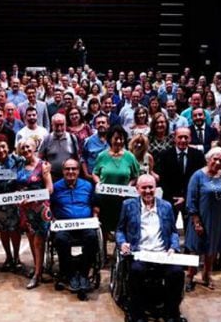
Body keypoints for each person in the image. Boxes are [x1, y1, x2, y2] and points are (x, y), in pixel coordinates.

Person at [116, 174, 185, 322]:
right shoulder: (128, 205)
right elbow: (120, 230)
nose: (147, 191)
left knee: (177, 273)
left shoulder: (166, 206)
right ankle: (138, 315)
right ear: (137, 189)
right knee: (136, 272)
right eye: (144, 188)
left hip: (162, 253)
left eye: (150, 187)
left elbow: (174, 233)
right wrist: (122, 243)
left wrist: (173, 247)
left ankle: (171, 314)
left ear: (156, 188)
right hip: (140, 253)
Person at [184, 146, 221, 290]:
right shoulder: (198, 176)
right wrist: (196, 221)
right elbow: (191, 199)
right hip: (202, 218)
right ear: (208, 159)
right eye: (215, 159)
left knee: (212, 248)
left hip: (220, 219)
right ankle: (190, 275)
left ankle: (207, 274)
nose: (218, 163)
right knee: (196, 247)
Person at [49, 159, 99, 293]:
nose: (70, 172)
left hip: (85, 225)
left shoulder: (88, 186)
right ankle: (70, 274)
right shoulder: (55, 187)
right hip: (64, 226)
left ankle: (83, 274)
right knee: (60, 239)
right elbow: (50, 208)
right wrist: (51, 218)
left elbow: (95, 205)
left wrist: (95, 217)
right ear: (63, 171)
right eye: (67, 169)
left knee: (92, 237)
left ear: (78, 171)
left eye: (74, 169)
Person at [92, 125, 141, 258]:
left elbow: (135, 176)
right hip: (105, 198)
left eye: (121, 139)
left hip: (123, 199)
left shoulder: (130, 157)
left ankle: (120, 252)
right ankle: (103, 254)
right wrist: (98, 183)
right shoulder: (102, 156)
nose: (119, 141)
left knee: (121, 226)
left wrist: (129, 187)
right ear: (110, 139)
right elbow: (95, 173)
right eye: (116, 139)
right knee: (104, 226)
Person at [14, 139, 54, 288]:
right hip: (25, 209)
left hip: (40, 209)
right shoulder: (20, 165)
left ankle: (37, 275)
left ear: (34, 147)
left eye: (28, 146)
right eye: (22, 147)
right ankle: (39, 268)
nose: (25, 149)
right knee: (32, 240)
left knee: (38, 241)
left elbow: (50, 189)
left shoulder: (43, 165)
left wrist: (32, 196)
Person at [0, 134, 24, 272]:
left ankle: (16, 257)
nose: (0, 150)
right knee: (3, 230)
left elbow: (21, 177)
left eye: (3, 147)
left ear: (8, 147)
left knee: (15, 230)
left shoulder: (18, 161)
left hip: (13, 201)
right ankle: (8, 257)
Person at [154, 127, 206, 226]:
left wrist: (185, 198)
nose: (183, 140)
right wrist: (174, 198)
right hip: (170, 200)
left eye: (186, 137)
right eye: (180, 137)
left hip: (191, 199)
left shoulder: (198, 155)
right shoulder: (165, 155)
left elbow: (199, 180)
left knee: (191, 231)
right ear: (175, 138)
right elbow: (163, 179)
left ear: (190, 138)